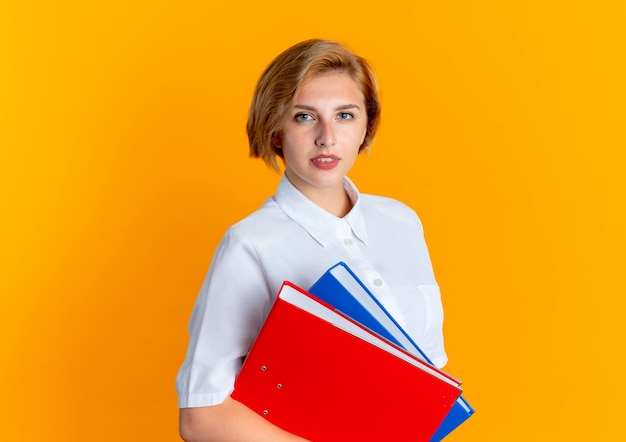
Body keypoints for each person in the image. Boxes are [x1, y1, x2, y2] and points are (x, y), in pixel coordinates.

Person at [176, 39, 447, 441]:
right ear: (276, 131)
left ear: (365, 127)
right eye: (304, 116)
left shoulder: (402, 221)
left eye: (344, 115)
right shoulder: (250, 244)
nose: (327, 137)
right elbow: (200, 418)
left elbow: (430, 377)